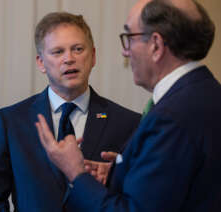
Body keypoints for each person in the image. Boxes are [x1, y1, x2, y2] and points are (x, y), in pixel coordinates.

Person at [36, 0, 221, 211]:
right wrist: (122, 172)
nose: (125, 52)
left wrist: (76, 173)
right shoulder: (208, 93)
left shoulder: (170, 117)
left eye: (129, 38)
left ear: (156, 45)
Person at [0, 12, 140, 212]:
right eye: (58, 52)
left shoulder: (127, 122)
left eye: (78, 49)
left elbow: (135, 196)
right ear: (41, 62)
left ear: (93, 56)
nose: (69, 59)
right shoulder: (11, 121)